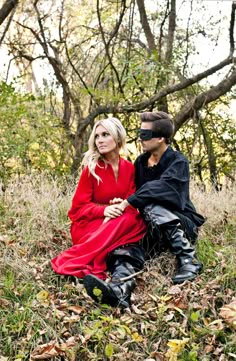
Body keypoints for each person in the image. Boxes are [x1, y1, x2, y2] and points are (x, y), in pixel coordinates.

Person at [84, 111, 205, 307]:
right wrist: (120, 201)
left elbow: (159, 189)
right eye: (140, 133)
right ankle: (119, 289)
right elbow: (133, 192)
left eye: (145, 135)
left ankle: (188, 260)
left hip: (181, 224)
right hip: (151, 228)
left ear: (161, 138)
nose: (140, 138)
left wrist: (129, 201)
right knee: (126, 247)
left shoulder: (178, 161)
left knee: (151, 203)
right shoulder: (140, 162)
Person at [51, 117, 146, 307]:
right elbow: (77, 209)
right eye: (97, 137)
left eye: (105, 135)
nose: (100, 140)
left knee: (133, 217)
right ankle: (76, 260)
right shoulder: (92, 169)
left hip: (117, 221)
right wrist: (104, 210)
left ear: (118, 138)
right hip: (90, 226)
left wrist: (122, 203)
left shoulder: (129, 168)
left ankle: (116, 287)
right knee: (130, 222)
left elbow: (132, 198)